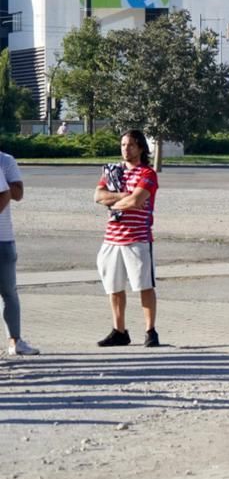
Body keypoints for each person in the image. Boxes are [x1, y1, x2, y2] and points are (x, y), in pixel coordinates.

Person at [94, 129, 160, 347]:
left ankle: (150, 331)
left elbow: (137, 201)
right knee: (113, 286)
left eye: (130, 145)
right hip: (112, 238)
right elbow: (98, 196)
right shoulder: (113, 171)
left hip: (137, 237)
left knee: (144, 285)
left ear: (141, 147)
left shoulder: (147, 174)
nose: (126, 149)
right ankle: (119, 330)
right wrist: (122, 197)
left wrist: (115, 202)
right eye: (123, 145)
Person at [0, 145, 35, 356]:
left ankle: (15, 340)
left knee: (8, 291)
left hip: (3, 237)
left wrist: (3, 182)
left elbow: (16, 193)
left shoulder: (6, 161)